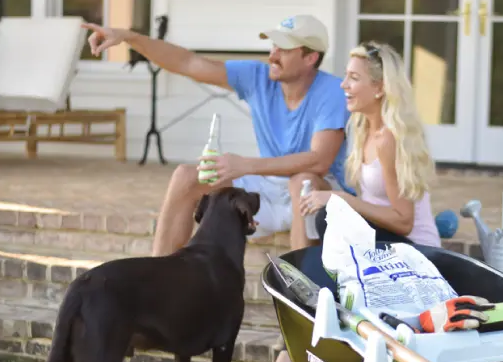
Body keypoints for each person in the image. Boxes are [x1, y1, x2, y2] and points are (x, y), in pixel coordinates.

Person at [253, 41, 441, 362]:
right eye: (345, 77)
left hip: (414, 254)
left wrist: (339, 199)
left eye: (354, 78)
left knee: (324, 295)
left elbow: (403, 220)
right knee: (320, 295)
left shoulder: (389, 139)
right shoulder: (364, 130)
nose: (343, 85)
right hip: (381, 245)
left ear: (380, 87)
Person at [80, 14, 354, 255]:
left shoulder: (331, 91)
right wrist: (128, 37)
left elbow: (319, 160)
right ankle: (160, 279)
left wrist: (246, 165)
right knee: (186, 176)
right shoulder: (258, 77)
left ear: (310, 58)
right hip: (268, 187)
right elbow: (187, 62)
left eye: (284, 49)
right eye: (273, 46)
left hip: (319, 193)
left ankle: (302, 296)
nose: (272, 55)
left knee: (302, 181)